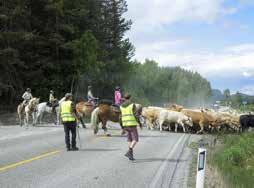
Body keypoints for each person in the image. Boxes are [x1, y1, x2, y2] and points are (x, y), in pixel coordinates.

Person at [120, 94, 142, 160]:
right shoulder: (132, 105)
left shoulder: (121, 106)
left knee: (130, 139)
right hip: (131, 124)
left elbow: (120, 117)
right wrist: (140, 123)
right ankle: (129, 150)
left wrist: (122, 127)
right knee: (135, 139)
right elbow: (136, 115)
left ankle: (130, 156)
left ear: (124, 98)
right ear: (130, 98)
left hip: (125, 124)